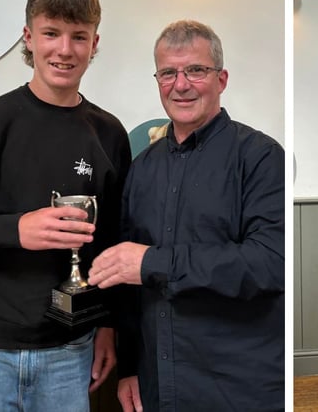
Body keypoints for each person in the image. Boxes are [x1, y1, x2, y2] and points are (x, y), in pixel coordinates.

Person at [0, 0, 132, 411]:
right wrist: (14, 229)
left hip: (72, 351)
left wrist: (109, 326)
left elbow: (114, 241)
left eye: (79, 36)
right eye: (51, 33)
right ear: (29, 37)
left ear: (95, 43)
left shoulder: (109, 133)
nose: (65, 49)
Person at [87, 20, 284, 411]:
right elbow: (129, 286)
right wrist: (130, 367)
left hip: (241, 386)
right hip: (159, 386)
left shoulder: (260, 157)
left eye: (196, 70)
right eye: (168, 73)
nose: (181, 84)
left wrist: (153, 262)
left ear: (221, 78)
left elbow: (268, 262)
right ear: (157, 79)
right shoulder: (141, 168)